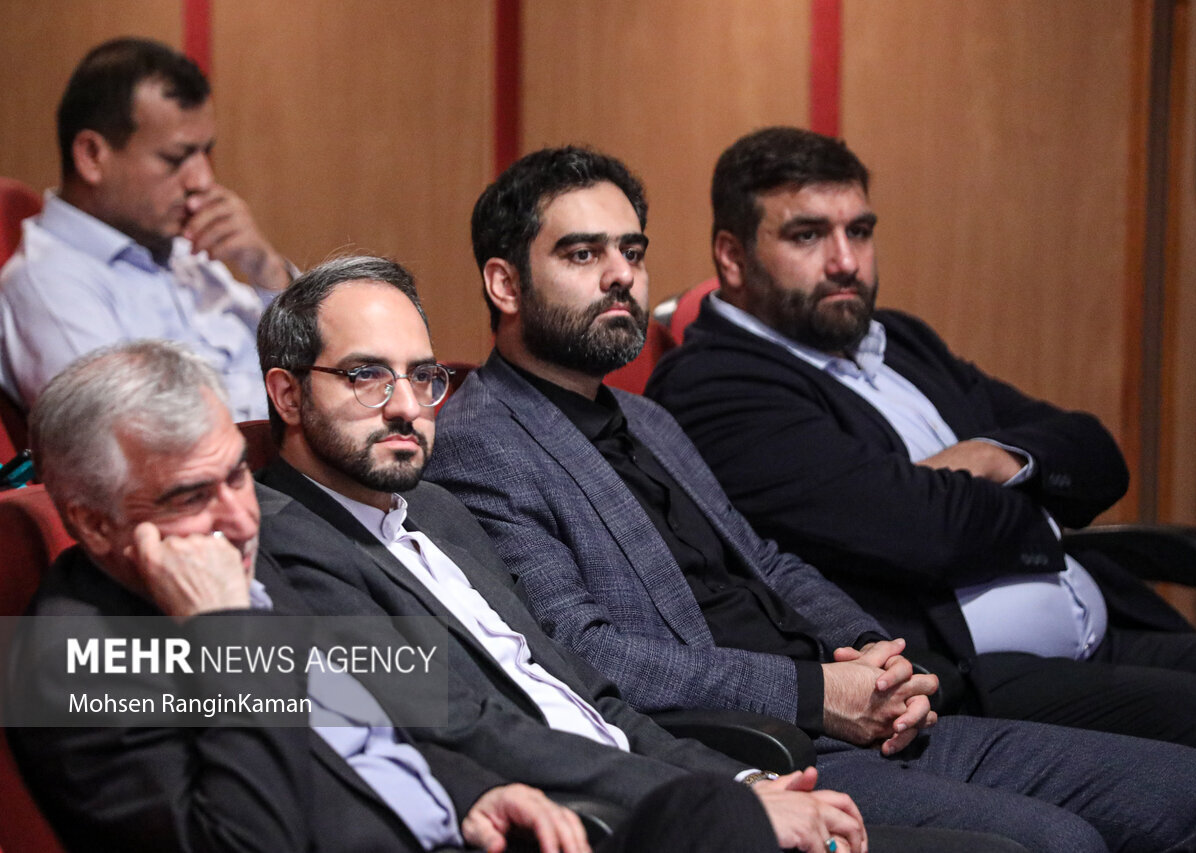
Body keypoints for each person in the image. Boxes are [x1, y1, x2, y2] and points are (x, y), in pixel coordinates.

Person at [427, 145, 1196, 853]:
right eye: (582, 255)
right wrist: (813, 691)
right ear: (505, 282)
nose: (622, 276)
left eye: (632, 252)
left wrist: (871, 652)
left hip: (859, 714)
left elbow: (769, 562)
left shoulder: (645, 418)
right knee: (1058, 842)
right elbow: (583, 654)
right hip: (758, 748)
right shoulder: (480, 441)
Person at [251, 255, 1000, 853]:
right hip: (593, 824)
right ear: (287, 395)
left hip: (672, 790)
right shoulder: (285, 542)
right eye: (366, 376)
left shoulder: (438, 510)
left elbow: (588, 696)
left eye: (422, 375)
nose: (407, 406)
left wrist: (741, 780)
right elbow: (470, 727)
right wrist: (722, 803)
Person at [643, 126, 1196, 797]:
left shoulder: (900, 340)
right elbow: (922, 529)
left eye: (859, 231)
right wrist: (1038, 509)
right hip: (966, 677)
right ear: (733, 256)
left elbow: (1094, 451)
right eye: (807, 236)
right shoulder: (714, 385)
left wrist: (990, 457)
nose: (845, 261)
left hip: (1104, 631)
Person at [6, 339, 784, 853]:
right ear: (91, 520)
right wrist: (229, 635)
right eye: (188, 496)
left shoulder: (251, 557)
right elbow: (248, 838)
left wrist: (476, 792)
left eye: (236, 474)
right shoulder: (67, 665)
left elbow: (389, 718)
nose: (238, 517)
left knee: (710, 815)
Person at [0, 37, 291, 421]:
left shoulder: (181, 249)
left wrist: (269, 273)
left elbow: (318, 361)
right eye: (176, 158)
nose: (203, 180)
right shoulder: (47, 285)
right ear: (91, 156)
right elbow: (142, 439)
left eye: (205, 152)